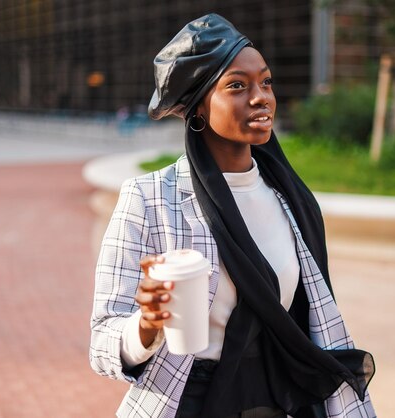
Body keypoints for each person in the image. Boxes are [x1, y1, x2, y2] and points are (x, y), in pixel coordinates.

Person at [90, 13, 376, 418]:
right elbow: (102, 342)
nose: (261, 97)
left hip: (281, 399)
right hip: (187, 402)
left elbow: (311, 321)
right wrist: (147, 325)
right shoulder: (149, 198)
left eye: (266, 82)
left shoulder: (292, 198)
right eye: (237, 86)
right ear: (199, 107)